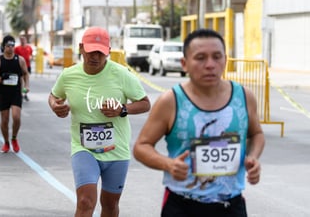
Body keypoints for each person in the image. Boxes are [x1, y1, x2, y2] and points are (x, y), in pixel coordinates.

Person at [133, 29, 265, 217]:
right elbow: (141, 146)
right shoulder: (170, 101)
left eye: (217, 57)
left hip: (231, 204)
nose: (210, 65)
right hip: (182, 205)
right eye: (200, 58)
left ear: (225, 61)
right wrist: (168, 164)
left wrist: (253, 158)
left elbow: (256, 134)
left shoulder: (244, 97)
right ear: (184, 64)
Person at [48, 26, 151, 217]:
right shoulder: (69, 75)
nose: (95, 56)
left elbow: (145, 104)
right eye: (90, 51)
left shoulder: (122, 75)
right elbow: (54, 96)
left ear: (108, 52)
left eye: (100, 52)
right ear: (81, 48)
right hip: (84, 149)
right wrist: (55, 106)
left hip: (116, 150)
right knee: (86, 201)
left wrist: (122, 109)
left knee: (110, 205)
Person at [0, 35, 29, 153]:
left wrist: (27, 86)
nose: (11, 48)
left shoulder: (20, 60)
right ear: (4, 46)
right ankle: (6, 142)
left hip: (16, 92)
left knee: (16, 117)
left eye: (13, 45)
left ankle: (14, 138)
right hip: (3, 93)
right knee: (5, 120)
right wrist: (2, 78)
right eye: (8, 45)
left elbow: (25, 74)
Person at [14, 36, 33, 102]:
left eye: (23, 39)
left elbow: (31, 55)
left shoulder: (29, 47)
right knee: (21, 80)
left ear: (25, 40)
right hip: (20, 66)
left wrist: (31, 59)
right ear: (20, 40)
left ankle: (25, 94)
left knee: (26, 80)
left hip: (27, 66)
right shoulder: (17, 48)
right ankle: (21, 94)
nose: (22, 41)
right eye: (21, 39)